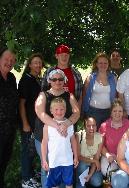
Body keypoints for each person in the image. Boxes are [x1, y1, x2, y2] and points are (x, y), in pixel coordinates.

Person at [35, 69, 80, 188]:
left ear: (64, 80)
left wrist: (66, 124)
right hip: (45, 136)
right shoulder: (43, 95)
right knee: (48, 168)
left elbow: (77, 113)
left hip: (65, 138)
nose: (57, 81)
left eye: (60, 79)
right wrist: (59, 126)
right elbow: (40, 113)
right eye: (54, 79)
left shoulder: (69, 95)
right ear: (49, 80)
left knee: (66, 170)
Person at [18, 53, 44, 188]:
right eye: (35, 63)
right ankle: (25, 179)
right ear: (29, 65)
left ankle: (31, 173)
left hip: (36, 123)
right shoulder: (26, 80)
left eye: (40, 63)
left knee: (32, 150)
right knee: (26, 150)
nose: (38, 65)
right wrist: (25, 123)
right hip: (28, 123)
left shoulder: (36, 79)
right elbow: (21, 103)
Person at [41, 97, 78, 188]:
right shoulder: (47, 125)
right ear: (51, 110)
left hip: (67, 161)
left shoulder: (69, 124)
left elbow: (73, 140)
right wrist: (44, 159)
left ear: (65, 110)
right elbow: (44, 142)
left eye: (61, 109)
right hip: (54, 161)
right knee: (54, 184)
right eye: (56, 109)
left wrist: (76, 156)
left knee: (69, 184)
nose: (59, 112)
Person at [41, 44, 83, 109]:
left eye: (66, 55)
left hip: (71, 109)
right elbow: (43, 90)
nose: (64, 57)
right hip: (53, 110)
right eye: (61, 55)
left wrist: (78, 109)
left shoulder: (76, 73)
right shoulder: (49, 71)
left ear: (69, 56)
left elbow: (80, 94)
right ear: (56, 56)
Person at [82, 52, 117, 128]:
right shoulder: (90, 78)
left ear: (108, 64)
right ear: (96, 64)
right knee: (94, 135)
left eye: (105, 63)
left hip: (109, 111)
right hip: (93, 112)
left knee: (106, 135)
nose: (103, 65)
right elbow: (84, 95)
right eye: (100, 63)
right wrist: (84, 112)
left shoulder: (113, 78)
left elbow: (116, 95)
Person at [99, 98, 129, 176]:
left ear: (123, 113)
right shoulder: (104, 126)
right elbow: (100, 145)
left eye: (120, 111)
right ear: (111, 113)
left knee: (123, 175)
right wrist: (107, 155)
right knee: (107, 172)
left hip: (125, 157)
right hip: (110, 156)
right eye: (115, 111)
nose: (117, 113)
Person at [0, 48, 18, 188]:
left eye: (12, 60)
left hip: (10, 128)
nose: (9, 62)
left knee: (4, 160)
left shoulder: (11, 78)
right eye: (7, 59)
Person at [75, 117, 103, 188]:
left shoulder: (100, 137)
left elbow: (96, 158)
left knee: (97, 182)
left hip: (92, 166)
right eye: (88, 126)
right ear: (85, 127)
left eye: (93, 125)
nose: (91, 128)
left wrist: (90, 174)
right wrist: (94, 160)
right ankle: (80, 183)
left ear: (96, 126)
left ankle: (87, 178)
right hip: (82, 164)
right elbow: (78, 156)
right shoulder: (79, 136)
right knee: (82, 165)